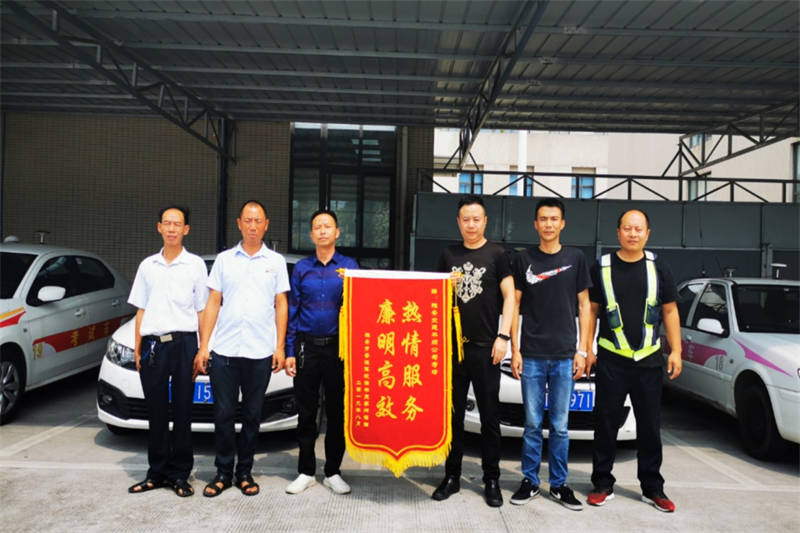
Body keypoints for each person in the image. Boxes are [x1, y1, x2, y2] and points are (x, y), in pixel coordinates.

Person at [585, 209, 682, 513]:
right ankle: (602, 483)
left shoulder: (658, 267)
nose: (633, 234)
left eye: (638, 229)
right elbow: (590, 310)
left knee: (650, 426)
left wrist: (676, 351)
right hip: (611, 360)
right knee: (605, 424)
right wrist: (586, 349)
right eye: (627, 228)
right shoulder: (601, 266)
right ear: (618, 232)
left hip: (649, 361)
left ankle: (652, 487)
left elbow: (670, 310)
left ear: (647, 233)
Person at [193, 200, 289, 497]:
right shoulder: (224, 260)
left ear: (266, 225)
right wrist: (204, 345)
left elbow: (281, 303)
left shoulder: (275, 262)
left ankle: (244, 472)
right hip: (224, 350)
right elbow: (213, 302)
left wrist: (279, 346)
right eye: (247, 220)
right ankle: (223, 472)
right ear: (239, 224)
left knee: (252, 415)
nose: (252, 226)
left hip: (260, 352)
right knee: (223, 414)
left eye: (258, 221)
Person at [432, 194, 515, 507]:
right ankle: (451, 475)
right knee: (452, 415)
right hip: (452, 349)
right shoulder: (448, 254)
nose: (471, 224)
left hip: (486, 348)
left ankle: (491, 479)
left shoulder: (498, 254)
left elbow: (510, 297)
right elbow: (434, 296)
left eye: (476, 219)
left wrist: (503, 336)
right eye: (465, 219)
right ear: (458, 222)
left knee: (489, 417)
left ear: (485, 221)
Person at [508, 198, 590, 511]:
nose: (548, 224)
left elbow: (584, 305)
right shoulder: (523, 259)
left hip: (565, 355)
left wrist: (582, 349)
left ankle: (558, 485)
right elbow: (515, 304)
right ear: (535, 224)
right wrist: (515, 348)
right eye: (543, 219)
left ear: (562, 223)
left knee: (560, 425)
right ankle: (530, 480)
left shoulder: (576, 258)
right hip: (531, 354)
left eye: (554, 219)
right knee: (531, 424)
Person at [127, 205, 208, 498]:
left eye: (177, 224)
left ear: (186, 229)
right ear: (159, 227)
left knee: (183, 411)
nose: (172, 228)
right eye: (167, 223)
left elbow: (202, 310)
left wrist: (202, 348)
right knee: (157, 412)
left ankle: (180, 474)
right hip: (153, 346)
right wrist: (137, 346)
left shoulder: (195, 265)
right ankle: (156, 472)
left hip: (185, 344)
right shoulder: (148, 266)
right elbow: (141, 309)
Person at [283, 209, 359, 496]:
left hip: (339, 349)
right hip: (307, 346)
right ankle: (305, 471)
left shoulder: (349, 267)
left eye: (328, 226)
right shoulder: (302, 268)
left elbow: (361, 304)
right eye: (318, 227)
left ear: (337, 232)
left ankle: (333, 471)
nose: (323, 231)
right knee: (306, 411)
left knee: (338, 411)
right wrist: (290, 349)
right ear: (311, 234)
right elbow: (293, 309)